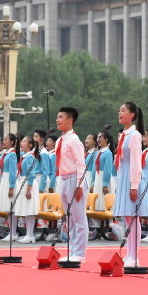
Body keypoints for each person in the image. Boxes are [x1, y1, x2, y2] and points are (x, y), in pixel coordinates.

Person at [113, 102, 148, 267]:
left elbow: (136, 162)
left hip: (131, 177)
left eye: (123, 110)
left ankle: (135, 255)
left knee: (134, 217)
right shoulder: (123, 135)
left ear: (132, 115)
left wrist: (134, 185)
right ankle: (129, 253)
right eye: (119, 110)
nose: (120, 113)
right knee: (128, 218)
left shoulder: (134, 135)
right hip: (123, 176)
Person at [55, 106, 89, 262]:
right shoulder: (60, 140)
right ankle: (72, 250)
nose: (57, 120)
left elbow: (81, 164)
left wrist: (79, 184)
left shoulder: (74, 140)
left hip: (75, 179)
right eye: (57, 117)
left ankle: (80, 253)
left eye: (61, 117)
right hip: (64, 179)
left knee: (79, 218)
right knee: (69, 219)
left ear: (70, 120)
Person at [15, 136, 41, 243]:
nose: (21, 143)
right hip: (23, 182)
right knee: (26, 209)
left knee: (30, 210)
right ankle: (28, 234)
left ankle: (30, 235)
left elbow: (31, 174)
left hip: (28, 184)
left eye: (24, 142)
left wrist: (28, 189)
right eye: (22, 141)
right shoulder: (25, 156)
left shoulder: (30, 157)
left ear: (30, 145)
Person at [0, 134, 19, 241]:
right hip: (4, 179)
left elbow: (12, 172)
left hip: (9, 180)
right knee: (8, 208)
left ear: (12, 142)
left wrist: (11, 187)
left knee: (12, 209)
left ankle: (13, 233)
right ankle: (11, 231)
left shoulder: (12, 155)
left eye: (5, 140)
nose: (3, 141)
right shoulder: (6, 154)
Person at [90, 130, 114, 211]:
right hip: (97, 178)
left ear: (106, 139)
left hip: (103, 178)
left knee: (104, 200)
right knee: (96, 200)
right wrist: (92, 182)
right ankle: (96, 222)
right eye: (98, 137)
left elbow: (108, 169)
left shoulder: (108, 153)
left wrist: (105, 184)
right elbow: (94, 168)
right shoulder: (97, 153)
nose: (98, 139)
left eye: (101, 137)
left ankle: (107, 221)